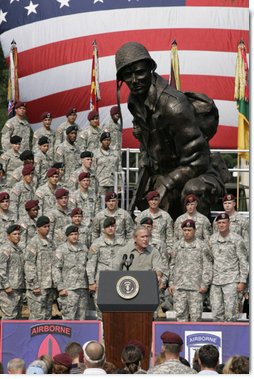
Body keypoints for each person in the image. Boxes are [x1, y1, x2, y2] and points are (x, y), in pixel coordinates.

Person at [115, 42, 229, 220]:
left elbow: (199, 160)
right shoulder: (135, 101)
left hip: (199, 172)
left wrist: (167, 183)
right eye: (128, 75)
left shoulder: (173, 106)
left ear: (150, 69)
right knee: (147, 201)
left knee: (193, 192)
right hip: (165, 171)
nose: (134, 80)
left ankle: (195, 243)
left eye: (140, 72)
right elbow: (149, 145)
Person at [169, 219, 212, 322]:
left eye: (189, 230)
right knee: (180, 317)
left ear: (195, 230)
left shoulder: (202, 246)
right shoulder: (177, 246)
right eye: (185, 230)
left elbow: (208, 266)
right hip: (179, 287)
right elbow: (172, 265)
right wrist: (171, 283)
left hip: (196, 288)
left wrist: (205, 284)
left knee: (196, 318)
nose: (187, 232)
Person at [209, 213, 249, 321]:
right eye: (219, 223)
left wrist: (242, 281)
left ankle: (231, 337)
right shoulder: (212, 240)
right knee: (216, 313)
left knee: (230, 314)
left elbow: (243, 260)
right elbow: (209, 260)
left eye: (224, 222)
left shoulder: (237, 239)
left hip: (231, 281)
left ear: (229, 223)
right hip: (215, 281)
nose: (221, 225)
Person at [87, 217, 125, 318]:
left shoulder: (122, 243)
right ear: (103, 229)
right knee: (101, 308)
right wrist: (91, 282)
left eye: (112, 226)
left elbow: (126, 263)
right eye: (108, 227)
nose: (111, 228)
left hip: (118, 280)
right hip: (101, 281)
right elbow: (91, 263)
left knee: (118, 308)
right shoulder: (97, 243)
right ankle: (102, 332)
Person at [53, 225, 89, 320]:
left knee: (82, 317)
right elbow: (56, 269)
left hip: (82, 288)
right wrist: (60, 288)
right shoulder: (61, 249)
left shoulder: (84, 248)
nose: (74, 236)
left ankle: (81, 335)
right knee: (69, 318)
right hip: (69, 289)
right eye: (71, 234)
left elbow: (88, 266)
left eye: (76, 234)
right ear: (67, 236)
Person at [24, 215, 55, 320]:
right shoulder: (33, 243)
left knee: (47, 317)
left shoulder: (50, 243)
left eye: (48, 226)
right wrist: (34, 285)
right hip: (38, 287)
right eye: (45, 227)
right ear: (38, 228)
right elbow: (29, 264)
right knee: (37, 318)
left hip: (48, 286)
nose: (47, 229)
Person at [135, 190, 173, 259]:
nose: (154, 202)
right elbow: (137, 235)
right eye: (151, 200)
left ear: (159, 201)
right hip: (145, 252)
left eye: (156, 200)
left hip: (161, 253)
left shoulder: (166, 216)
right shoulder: (141, 216)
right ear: (148, 201)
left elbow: (170, 237)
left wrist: (169, 252)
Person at [0, 224, 24, 319]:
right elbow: (1, 268)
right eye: (14, 234)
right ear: (8, 236)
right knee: (9, 316)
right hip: (8, 289)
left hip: (18, 287)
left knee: (18, 317)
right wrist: (6, 285)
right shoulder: (5, 249)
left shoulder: (19, 249)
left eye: (19, 234)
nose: (17, 236)